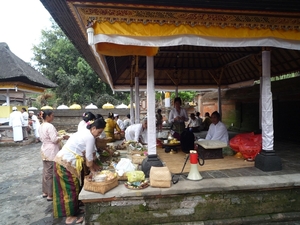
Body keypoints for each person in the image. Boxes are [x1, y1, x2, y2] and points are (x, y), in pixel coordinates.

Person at [53, 117, 106, 224]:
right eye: (99, 132)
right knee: (70, 190)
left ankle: (75, 209)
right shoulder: (90, 137)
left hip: (65, 160)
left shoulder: (85, 132)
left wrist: (94, 167)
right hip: (65, 163)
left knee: (75, 187)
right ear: (94, 128)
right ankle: (70, 217)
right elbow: (89, 160)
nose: (99, 135)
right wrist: (93, 171)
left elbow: (88, 155)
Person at [38, 110, 69, 202]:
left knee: (46, 171)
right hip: (51, 150)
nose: (53, 117)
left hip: (45, 148)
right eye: (52, 115)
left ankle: (45, 192)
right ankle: (50, 194)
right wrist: (63, 137)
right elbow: (54, 139)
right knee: (50, 173)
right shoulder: (49, 126)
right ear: (47, 116)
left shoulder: (41, 126)